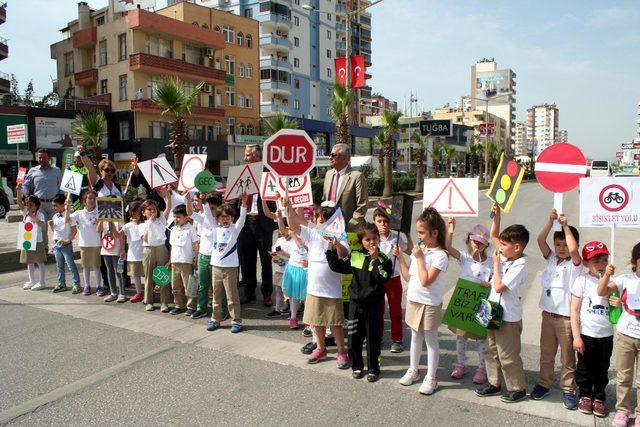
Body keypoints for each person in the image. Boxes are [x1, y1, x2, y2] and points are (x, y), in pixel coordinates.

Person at [475, 203, 529, 403]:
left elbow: (498, 287)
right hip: (492, 311)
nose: (500, 247)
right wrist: (496, 216)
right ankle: (494, 382)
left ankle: (518, 388)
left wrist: (496, 265)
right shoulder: (507, 254)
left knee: (508, 355)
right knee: (491, 350)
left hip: (508, 317)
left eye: (505, 245)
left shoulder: (520, 265)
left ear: (517, 247)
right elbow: (494, 235)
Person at [326, 222, 392, 382]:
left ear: (379, 240)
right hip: (355, 304)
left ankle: (374, 369)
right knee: (354, 338)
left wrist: (375, 260)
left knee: (373, 339)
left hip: (374, 306)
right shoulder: (355, 255)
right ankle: (357, 366)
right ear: (361, 241)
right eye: (367, 239)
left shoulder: (384, 259)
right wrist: (331, 247)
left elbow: (382, 277)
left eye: (374, 239)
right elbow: (337, 266)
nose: (371, 242)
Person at [287, 202, 350, 367]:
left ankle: (342, 351)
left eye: (325, 221)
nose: (321, 224)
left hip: (331, 290)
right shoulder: (312, 233)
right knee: (317, 321)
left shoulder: (341, 236)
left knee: (335, 322)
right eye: (319, 220)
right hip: (314, 288)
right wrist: (288, 207)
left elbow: (344, 254)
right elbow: (293, 225)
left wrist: (335, 241)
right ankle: (321, 349)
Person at [530, 210, 582, 409]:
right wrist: (550, 221)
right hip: (548, 316)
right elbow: (540, 239)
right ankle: (544, 383)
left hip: (566, 319)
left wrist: (566, 226)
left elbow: (574, 249)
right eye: (558, 244)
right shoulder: (552, 259)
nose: (561, 248)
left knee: (567, 357)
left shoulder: (575, 264)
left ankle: (569, 389)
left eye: (565, 245)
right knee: (547, 353)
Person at [396, 207, 448, 395]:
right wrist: (401, 258)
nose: (419, 236)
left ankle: (431, 377)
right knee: (415, 337)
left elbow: (426, 281)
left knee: (430, 340)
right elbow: (410, 277)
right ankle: (414, 369)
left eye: (421, 232)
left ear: (434, 233)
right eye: (418, 232)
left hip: (430, 303)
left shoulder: (440, 255)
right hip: (414, 300)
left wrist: (419, 258)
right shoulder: (421, 250)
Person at [597, 242, 640, 427]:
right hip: (625, 334)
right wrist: (606, 274)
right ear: (634, 261)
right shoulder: (625, 279)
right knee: (624, 376)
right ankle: (623, 410)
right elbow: (601, 291)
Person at [570, 241, 613, 418]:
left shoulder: (613, 282)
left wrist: (618, 303)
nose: (601, 265)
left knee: (602, 369)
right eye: (596, 262)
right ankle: (585, 394)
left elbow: (618, 308)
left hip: (606, 334)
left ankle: (599, 396)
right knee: (585, 368)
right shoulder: (582, 281)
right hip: (586, 334)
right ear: (586, 263)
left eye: (604, 260)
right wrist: (576, 336)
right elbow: (574, 310)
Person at [445, 218, 492, 384]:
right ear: (468, 242)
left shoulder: (491, 262)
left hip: (480, 305)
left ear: (486, 245)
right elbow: (449, 248)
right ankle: (460, 364)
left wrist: (489, 284)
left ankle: (481, 368)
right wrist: (451, 228)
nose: (477, 245)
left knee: (481, 338)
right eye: (474, 241)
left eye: (481, 242)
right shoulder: (465, 258)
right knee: (461, 337)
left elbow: (495, 280)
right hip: (464, 304)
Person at [237, 145, 277, 306]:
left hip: (263, 223)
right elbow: (233, 197)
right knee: (247, 259)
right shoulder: (241, 173)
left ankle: (267, 293)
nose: (245, 158)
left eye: (247, 155)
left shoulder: (269, 174)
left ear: (257, 156)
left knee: (266, 260)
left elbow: (275, 197)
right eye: (245, 156)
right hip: (244, 222)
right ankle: (249, 291)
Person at [373, 207, 412, 353]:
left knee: (395, 310)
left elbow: (411, 251)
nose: (383, 224)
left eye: (386, 221)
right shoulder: (372, 238)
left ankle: (397, 339)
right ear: (374, 222)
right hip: (377, 279)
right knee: (378, 309)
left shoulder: (396, 238)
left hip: (393, 278)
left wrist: (408, 235)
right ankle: (378, 336)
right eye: (379, 221)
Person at [207, 194, 247, 333]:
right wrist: (204, 200)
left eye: (228, 216)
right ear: (217, 219)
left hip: (230, 268)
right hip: (216, 267)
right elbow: (207, 215)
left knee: (232, 296)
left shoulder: (234, 229)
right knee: (216, 296)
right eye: (222, 216)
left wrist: (243, 204)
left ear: (232, 218)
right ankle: (215, 319)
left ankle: (236, 321)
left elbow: (242, 219)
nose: (225, 219)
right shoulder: (215, 229)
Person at [21, 148, 62, 248]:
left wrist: (62, 201)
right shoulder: (33, 171)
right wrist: (27, 196)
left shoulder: (57, 171)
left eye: (44, 157)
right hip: (39, 204)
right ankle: (44, 248)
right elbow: (25, 185)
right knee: (42, 227)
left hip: (54, 203)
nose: (41, 159)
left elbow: (61, 187)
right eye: (39, 157)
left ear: (49, 158)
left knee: (58, 226)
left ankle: (59, 246)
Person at [322, 143, 368, 232]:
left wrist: (351, 226)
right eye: (329, 155)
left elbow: (362, 205)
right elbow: (324, 199)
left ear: (344, 158)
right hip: (329, 227)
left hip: (349, 229)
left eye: (333, 155)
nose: (330, 158)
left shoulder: (357, 176)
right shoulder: (328, 174)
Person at [191, 193, 223, 319]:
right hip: (203, 256)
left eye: (213, 208)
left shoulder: (222, 222)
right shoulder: (203, 218)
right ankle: (201, 308)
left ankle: (222, 310)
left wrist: (204, 200)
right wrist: (188, 195)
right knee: (202, 285)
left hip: (216, 258)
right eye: (208, 208)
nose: (210, 211)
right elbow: (189, 212)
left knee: (218, 287)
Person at [139, 196, 172, 312]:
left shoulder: (161, 220)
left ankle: (164, 302)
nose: (153, 211)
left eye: (154, 209)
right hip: (148, 249)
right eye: (149, 209)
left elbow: (168, 207)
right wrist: (150, 222)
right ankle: (149, 301)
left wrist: (167, 195)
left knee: (163, 275)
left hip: (161, 248)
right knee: (149, 276)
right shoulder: (142, 224)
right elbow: (145, 238)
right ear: (144, 212)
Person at [68, 190, 103, 296]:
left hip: (96, 243)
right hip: (84, 244)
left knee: (96, 266)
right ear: (84, 201)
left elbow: (100, 229)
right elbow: (67, 220)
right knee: (86, 266)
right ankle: (87, 286)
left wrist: (99, 221)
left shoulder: (99, 212)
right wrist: (67, 209)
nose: (92, 200)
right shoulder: (79, 213)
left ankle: (98, 286)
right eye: (90, 198)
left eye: (94, 198)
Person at [168, 203, 200, 315]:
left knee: (189, 285)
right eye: (174, 217)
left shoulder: (190, 229)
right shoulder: (173, 229)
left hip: (186, 261)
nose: (176, 219)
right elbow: (172, 246)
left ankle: (191, 306)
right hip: (175, 261)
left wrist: (196, 260)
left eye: (179, 217)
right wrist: (170, 260)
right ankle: (179, 305)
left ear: (186, 217)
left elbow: (196, 245)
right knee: (175, 286)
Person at [281, 214, 309, 330]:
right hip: (293, 268)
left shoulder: (308, 235)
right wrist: (278, 217)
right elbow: (282, 230)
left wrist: (294, 236)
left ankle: (308, 320)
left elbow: (303, 250)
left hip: (304, 269)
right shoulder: (291, 235)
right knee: (293, 296)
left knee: (307, 297)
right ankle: (293, 318)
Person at [49, 194, 81, 293]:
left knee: (71, 265)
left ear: (63, 205)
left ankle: (76, 284)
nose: (53, 207)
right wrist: (51, 226)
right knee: (59, 265)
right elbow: (56, 230)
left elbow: (74, 230)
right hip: (57, 244)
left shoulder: (69, 216)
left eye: (55, 205)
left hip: (66, 244)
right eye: (53, 205)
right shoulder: (55, 216)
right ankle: (61, 283)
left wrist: (68, 241)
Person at [16, 188, 47, 290]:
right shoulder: (25, 213)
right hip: (27, 241)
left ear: (36, 205)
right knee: (29, 261)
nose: (28, 207)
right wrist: (18, 191)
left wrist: (33, 217)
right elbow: (20, 203)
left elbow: (41, 224)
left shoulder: (40, 214)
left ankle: (42, 282)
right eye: (27, 204)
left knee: (39, 261)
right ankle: (31, 280)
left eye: (31, 205)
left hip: (37, 241)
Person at [97, 219, 126, 302]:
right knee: (109, 271)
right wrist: (101, 220)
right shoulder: (104, 221)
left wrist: (122, 249)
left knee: (119, 271)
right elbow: (98, 230)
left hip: (116, 249)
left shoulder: (119, 220)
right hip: (106, 249)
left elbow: (121, 235)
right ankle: (113, 293)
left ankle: (122, 293)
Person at [121, 200, 145, 303]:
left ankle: (148, 292)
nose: (136, 214)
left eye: (138, 212)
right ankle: (139, 292)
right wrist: (110, 222)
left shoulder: (145, 224)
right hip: (133, 255)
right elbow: (119, 236)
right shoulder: (127, 226)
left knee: (147, 275)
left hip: (145, 254)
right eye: (134, 212)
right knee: (135, 275)